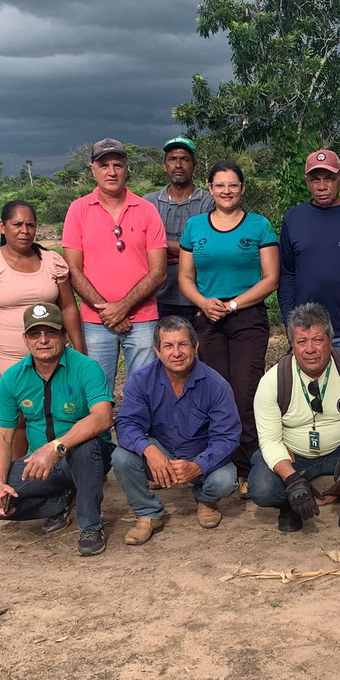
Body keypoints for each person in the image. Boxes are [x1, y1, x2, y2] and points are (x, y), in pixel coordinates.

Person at [0, 303, 115, 557]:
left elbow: (103, 417)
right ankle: (60, 502)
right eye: (35, 334)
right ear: (25, 339)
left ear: (64, 336)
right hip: (38, 462)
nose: (43, 340)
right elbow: (3, 437)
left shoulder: (86, 367)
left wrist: (55, 448)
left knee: (86, 448)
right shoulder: (13, 377)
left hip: (83, 457)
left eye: (51, 332)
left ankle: (90, 526)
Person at [178, 160, 279, 497]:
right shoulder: (195, 227)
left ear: (242, 188)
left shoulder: (259, 226)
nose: (226, 191)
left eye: (233, 185)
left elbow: (271, 279)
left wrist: (234, 304)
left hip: (246, 317)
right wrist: (203, 303)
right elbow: (185, 277)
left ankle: (249, 467)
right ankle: (218, 464)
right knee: (214, 393)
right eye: (220, 185)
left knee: (245, 392)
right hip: (207, 318)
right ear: (210, 189)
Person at [250, 303, 340, 540]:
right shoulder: (272, 382)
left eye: (317, 340)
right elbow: (270, 441)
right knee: (262, 486)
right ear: (292, 344)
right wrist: (292, 479)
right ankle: (289, 506)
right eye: (302, 341)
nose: (310, 349)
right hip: (296, 456)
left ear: (330, 341)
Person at [0, 200, 84, 460]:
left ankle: (60, 468)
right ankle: (16, 472)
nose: (24, 231)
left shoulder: (52, 261)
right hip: (9, 358)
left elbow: (68, 307)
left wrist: (79, 351)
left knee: (59, 410)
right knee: (18, 419)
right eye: (17, 224)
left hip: (52, 355)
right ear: (2, 227)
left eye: (30, 225)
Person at [112, 316, 241, 543]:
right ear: (157, 351)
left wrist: (198, 466)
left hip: (200, 455)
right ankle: (147, 513)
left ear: (195, 346)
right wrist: (150, 451)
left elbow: (227, 437)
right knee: (121, 457)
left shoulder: (216, 385)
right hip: (160, 453)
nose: (176, 353)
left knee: (225, 480)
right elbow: (126, 424)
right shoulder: (141, 380)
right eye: (168, 346)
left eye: (183, 344)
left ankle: (206, 501)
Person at [62, 137, 168, 394]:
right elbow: (73, 269)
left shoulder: (147, 210)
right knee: (96, 392)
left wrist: (122, 307)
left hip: (143, 319)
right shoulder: (78, 210)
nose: (111, 172)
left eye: (117, 165)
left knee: (144, 391)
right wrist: (107, 310)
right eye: (104, 165)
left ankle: (137, 425)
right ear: (93, 170)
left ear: (126, 168)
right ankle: (101, 425)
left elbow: (159, 271)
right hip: (95, 320)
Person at [278, 149, 340, 353]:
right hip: (307, 332)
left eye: (329, 178)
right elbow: (287, 274)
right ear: (307, 182)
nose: (322, 186)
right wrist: (289, 321)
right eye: (315, 180)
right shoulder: (293, 219)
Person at [143, 136, 213, 326]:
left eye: (184, 159)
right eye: (172, 159)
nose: (178, 165)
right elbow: (140, 248)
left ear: (195, 166)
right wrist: (189, 254)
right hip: (157, 298)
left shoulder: (209, 202)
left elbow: (209, 250)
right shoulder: (148, 203)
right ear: (164, 166)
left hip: (200, 298)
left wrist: (160, 249)